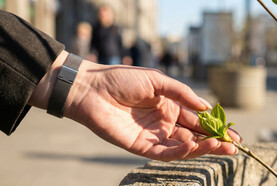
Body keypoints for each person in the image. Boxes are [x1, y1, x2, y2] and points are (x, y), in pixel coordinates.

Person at [0, 10, 241, 161]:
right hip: (99, 64)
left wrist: (87, 81)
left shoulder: (114, 29)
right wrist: (85, 81)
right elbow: (94, 44)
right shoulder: (97, 28)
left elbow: (119, 45)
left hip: (109, 63)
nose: (105, 17)